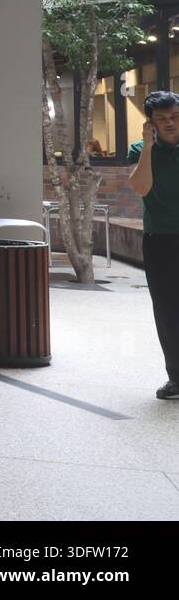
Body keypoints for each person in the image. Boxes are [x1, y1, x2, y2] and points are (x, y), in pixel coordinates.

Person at [127, 90, 179, 400]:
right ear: (151, 123)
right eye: (162, 119)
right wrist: (147, 147)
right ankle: (176, 377)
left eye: (175, 116)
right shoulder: (139, 149)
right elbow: (141, 187)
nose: (170, 123)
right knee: (167, 311)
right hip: (159, 241)